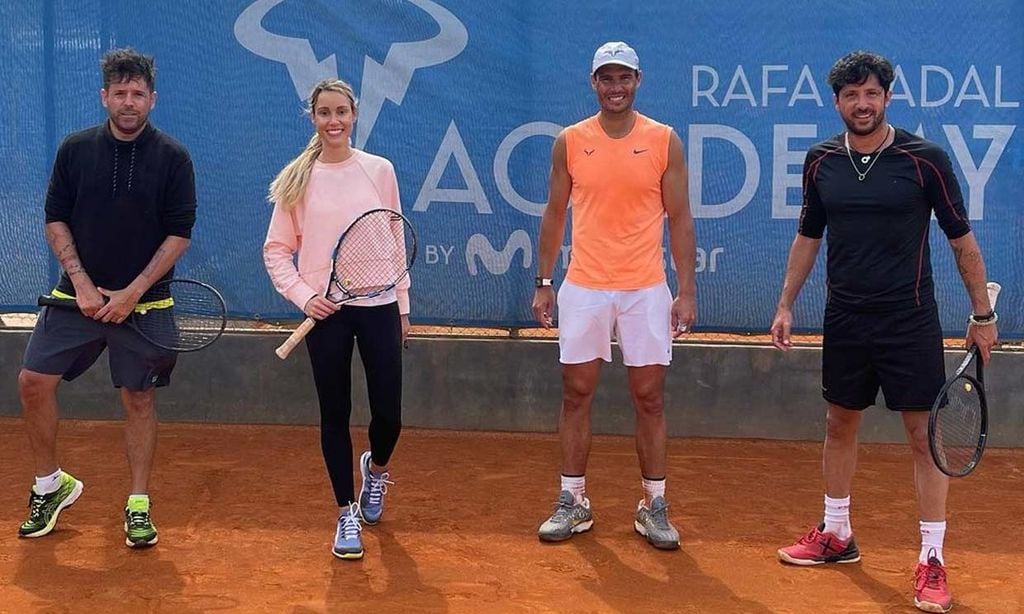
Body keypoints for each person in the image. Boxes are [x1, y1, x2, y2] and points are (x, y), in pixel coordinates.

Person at [770, 51, 998, 613]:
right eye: (852, 95)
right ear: (838, 101)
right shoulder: (821, 160)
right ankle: (838, 533)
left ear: (888, 97)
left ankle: (931, 559)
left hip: (909, 320)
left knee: (923, 437)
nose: (862, 103)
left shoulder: (926, 160)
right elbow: (808, 236)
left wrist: (982, 315)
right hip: (845, 318)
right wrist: (784, 304)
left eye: (872, 93)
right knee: (838, 422)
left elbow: (960, 240)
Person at [17, 48, 197, 548]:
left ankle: (138, 504)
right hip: (76, 296)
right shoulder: (75, 150)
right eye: (120, 93)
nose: (128, 102)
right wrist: (80, 283)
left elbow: (179, 234)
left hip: (145, 304)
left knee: (138, 398)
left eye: (138, 93)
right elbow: (55, 217)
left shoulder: (174, 158)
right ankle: (50, 486)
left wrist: (132, 293)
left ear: (152, 99)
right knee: (33, 382)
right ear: (104, 97)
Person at [531, 41, 697, 550]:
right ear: (594, 83)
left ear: (638, 81)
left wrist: (685, 289)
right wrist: (544, 282)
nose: (615, 87)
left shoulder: (664, 140)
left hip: (646, 290)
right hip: (583, 287)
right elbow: (556, 213)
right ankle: (573, 499)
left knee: (649, 398)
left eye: (624, 78)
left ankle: (653, 504)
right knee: (576, 393)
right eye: (606, 78)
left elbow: (680, 217)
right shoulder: (570, 140)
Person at [263, 78, 409, 560]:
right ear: (313, 118)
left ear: (354, 115)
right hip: (325, 315)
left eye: (341, 111)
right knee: (335, 412)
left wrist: (402, 306)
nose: (333, 121)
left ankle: (377, 470)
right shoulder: (297, 179)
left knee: (389, 415)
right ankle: (345, 512)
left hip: (380, 306)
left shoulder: (381, 170)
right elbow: (277, 251)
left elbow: (392, 236)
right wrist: (306, 297)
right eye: (324, 112)